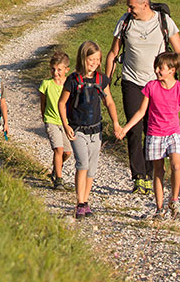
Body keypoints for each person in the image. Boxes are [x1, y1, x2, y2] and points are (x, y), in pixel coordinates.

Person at [103, 0, 180, 194]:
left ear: (144, 4)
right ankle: (139, 176)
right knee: (134, 129)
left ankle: (151, 174)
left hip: (157, 85)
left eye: (132, 6)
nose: (129, 9)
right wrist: (105, 83)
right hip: (132, 81)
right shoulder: (125, 22)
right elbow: (113, 53)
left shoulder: (164, 21)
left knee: (154, 131)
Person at [119, 52, 180, 218]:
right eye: (156, 67)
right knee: (158, 170)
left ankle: (174, 200)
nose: (156, 70)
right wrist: (125, 129)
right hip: (154, 134)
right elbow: (141, 112)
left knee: (176, 165)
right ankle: (159, 208)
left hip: (173, 133)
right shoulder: (151, 87)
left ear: (172, 70)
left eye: (160, 68)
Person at [58, 41, 122, 218]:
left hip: (96, 130)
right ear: (82, 58)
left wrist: (115, 123)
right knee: (82, 164)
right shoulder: (73, 80)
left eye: (97, 59)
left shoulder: (101, 80)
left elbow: (108, 101)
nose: (94, 63)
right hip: (77, 129)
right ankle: (79, 202)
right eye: (90, 59)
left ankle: (86, 202)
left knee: (92, 168)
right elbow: (62, 103)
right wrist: (66, 125)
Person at [38, 50, 73, 189]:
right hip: (51, 120)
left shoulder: (69, 84)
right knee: (58, 149)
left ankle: (55, 169)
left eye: (59, 70)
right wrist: (44, 118)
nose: (56, 72)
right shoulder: (46, 84)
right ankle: (59, 179)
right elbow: (43, 103)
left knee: (67, 152)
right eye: (53, 69)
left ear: (66, 70)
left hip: (65, 122)